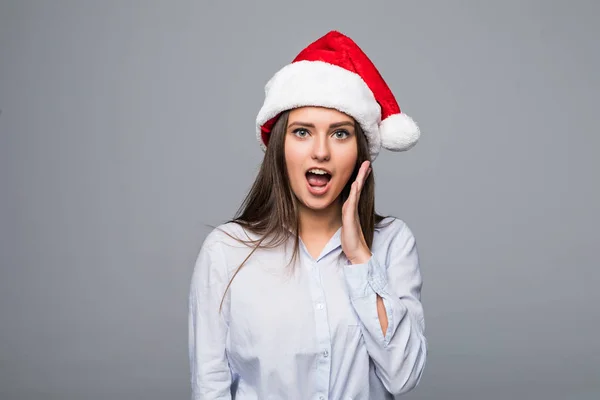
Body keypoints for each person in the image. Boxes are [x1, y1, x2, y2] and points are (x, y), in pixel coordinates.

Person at [188, 30, 427, 399]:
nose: (320, 152)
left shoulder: (392, 244)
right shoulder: (226, 251)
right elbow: (211, 385)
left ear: (361, 151)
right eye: (302, 132)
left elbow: (403, 376)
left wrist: (361, 258)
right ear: (279, 146)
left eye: (340, 134)